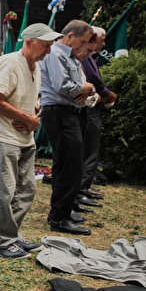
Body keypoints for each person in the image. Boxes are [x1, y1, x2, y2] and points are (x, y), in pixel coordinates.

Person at [0, 23, 60, 258]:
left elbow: (20, 98)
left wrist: (32, 113)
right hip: (4, 137)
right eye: (45, 46)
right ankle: (2, 241)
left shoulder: (34, 66)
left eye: (50, 46)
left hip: (25, 137)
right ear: (28, 42)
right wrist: (26, 118)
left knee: (26, 189)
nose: (48, 51)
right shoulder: (10, 62)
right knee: (5, 192)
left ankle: (12, 234)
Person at [39, 20, 96, 236]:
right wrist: (87, 87)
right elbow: (63, 87)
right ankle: (59, 217)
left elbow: (77, 89)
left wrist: (85, 90)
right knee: (67, 166)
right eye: (81, 41)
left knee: (71, 165)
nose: (83, 47)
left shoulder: (69, 57)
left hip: (70, 113)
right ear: (70, 36)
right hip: (59, 112)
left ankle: (64, 210)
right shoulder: (56, 53)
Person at [79, 26, 117, 196]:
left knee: (90, 150)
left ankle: (84, 187)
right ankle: (81, 189)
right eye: (102, 40)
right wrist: (108, 94)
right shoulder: (86, 58)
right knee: (88, 150)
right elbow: (94, 81)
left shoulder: (92, 58)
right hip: (89, 109)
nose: (104, 43)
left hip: (92, 108)